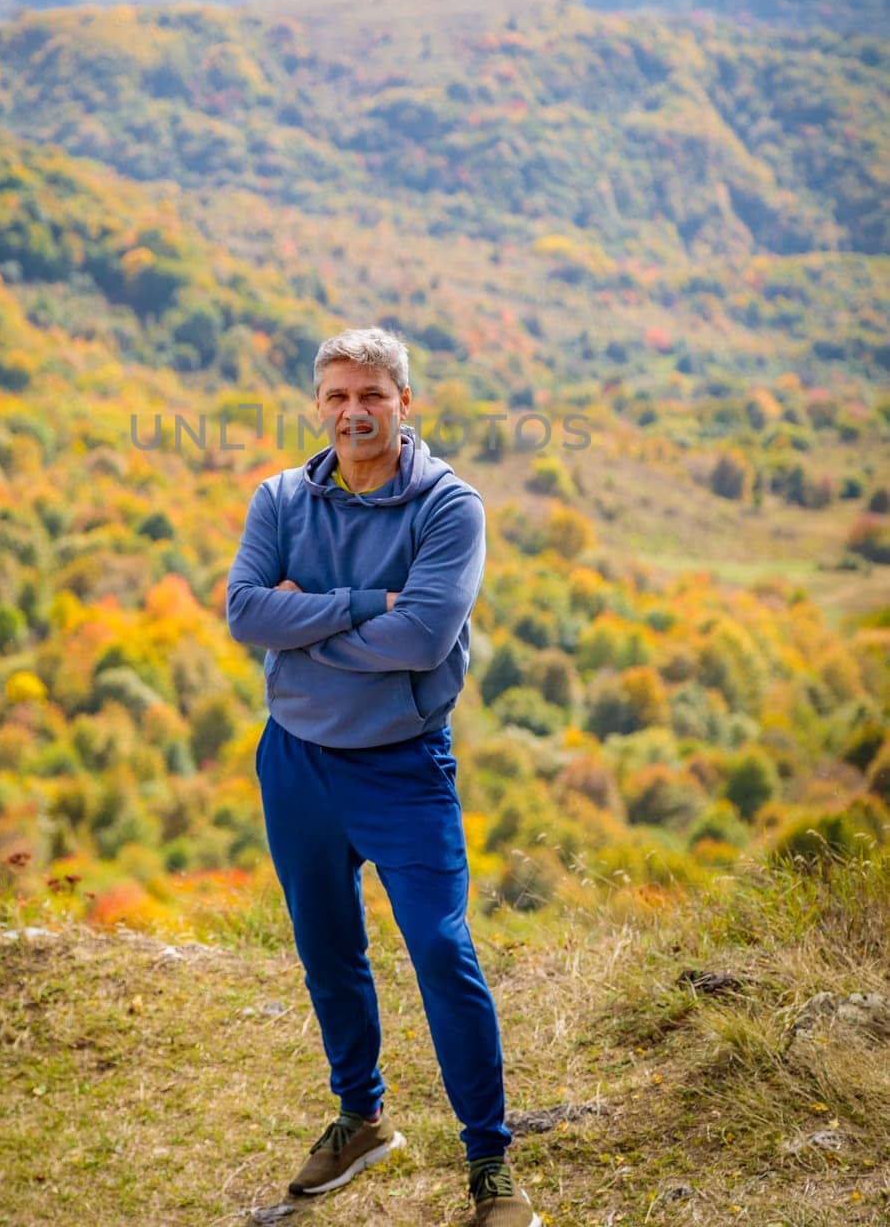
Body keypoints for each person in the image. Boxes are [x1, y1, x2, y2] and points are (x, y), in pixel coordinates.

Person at [226, 326, 540, 1227]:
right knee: (326, 949)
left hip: (402, 767)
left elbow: (424, 637)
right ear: (317, 406)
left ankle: (490, 1165)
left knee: (441, 950)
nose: (353, 412)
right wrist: (368, 605)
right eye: (336, 397)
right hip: (295, 762)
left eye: (371, 396)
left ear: (405, 405)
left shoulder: (448, 507)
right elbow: (246, 612)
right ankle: (360, 1120)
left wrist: (307, 620)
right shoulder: (282, 498)